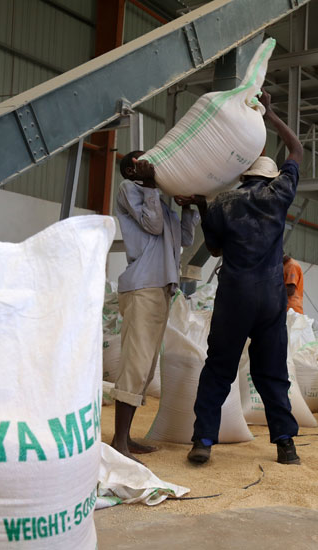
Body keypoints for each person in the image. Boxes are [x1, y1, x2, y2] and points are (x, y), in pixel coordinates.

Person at [182, 89, 304, 466]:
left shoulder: (223, 204)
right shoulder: (279, 193)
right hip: (269, 299)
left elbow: (215, 250)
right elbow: (297, 151)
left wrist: (202, 205)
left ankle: (203, 440)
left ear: (244, 176)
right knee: (272, 374)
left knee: (219, 369)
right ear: (268, 176)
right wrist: (270, 114)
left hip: (234, 296)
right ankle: (285, 446)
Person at [111, 150, 200, 462]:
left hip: (160, 288)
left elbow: (185, 239)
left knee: (145, 368)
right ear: (131, 170)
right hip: (143, 286)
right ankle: (119, 443)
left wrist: (188, 208)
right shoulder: (130, 190)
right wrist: (150, 186)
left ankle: (125, 438)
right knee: (136, 364)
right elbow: (151, 226)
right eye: (143, 163)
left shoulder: (159, 201)